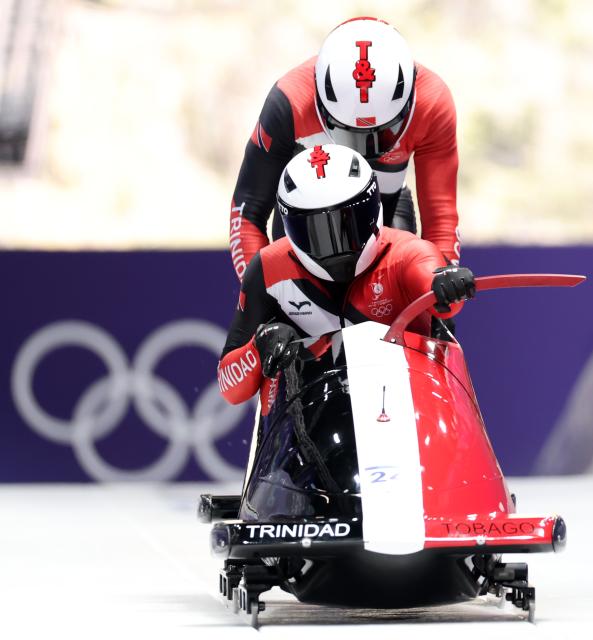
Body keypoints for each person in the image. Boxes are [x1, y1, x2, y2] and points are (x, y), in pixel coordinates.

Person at [218, 144, 475, 409]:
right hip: (310, 426)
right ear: (288, 226)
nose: (335, 247)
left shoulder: (408, 253)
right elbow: (230, 388)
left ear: (374, 206)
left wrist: (444, 284)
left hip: (412, 415)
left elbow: (437, 289)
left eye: (347, 224)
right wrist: (257, 349)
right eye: (316, 231)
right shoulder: (268, 268)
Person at [229, 16, 461, 284]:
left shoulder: (433, 102)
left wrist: (440, 295)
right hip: (306, 220)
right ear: (319, 102)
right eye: (348, 133)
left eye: (382, 133)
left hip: (386, 206)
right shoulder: (288, 102)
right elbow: (247, 212)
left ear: (409, 102)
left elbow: (441, 217)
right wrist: (260, 299)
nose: (363, 152)